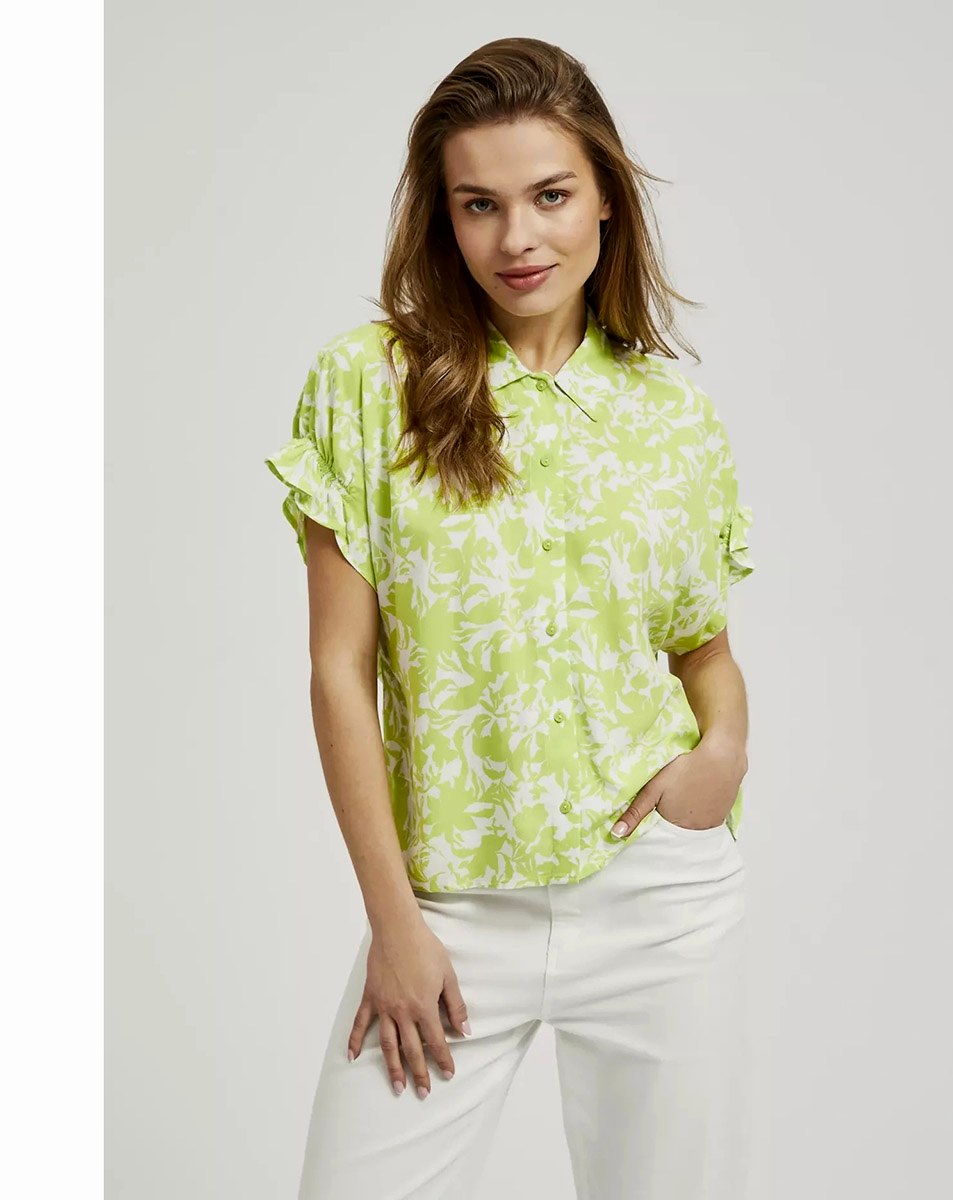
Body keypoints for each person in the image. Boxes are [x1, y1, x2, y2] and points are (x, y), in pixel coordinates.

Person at [265, 35, 757, 1200]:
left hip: (655, 904)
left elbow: (703, 649)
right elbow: (339, 672)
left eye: (550, 196)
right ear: (443, 216)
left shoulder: (672, 418)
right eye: (478, 205)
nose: (517, 239)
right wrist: (395, 924)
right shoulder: (368, 384)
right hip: (446, 909)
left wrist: (724, 753)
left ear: (606, 199)